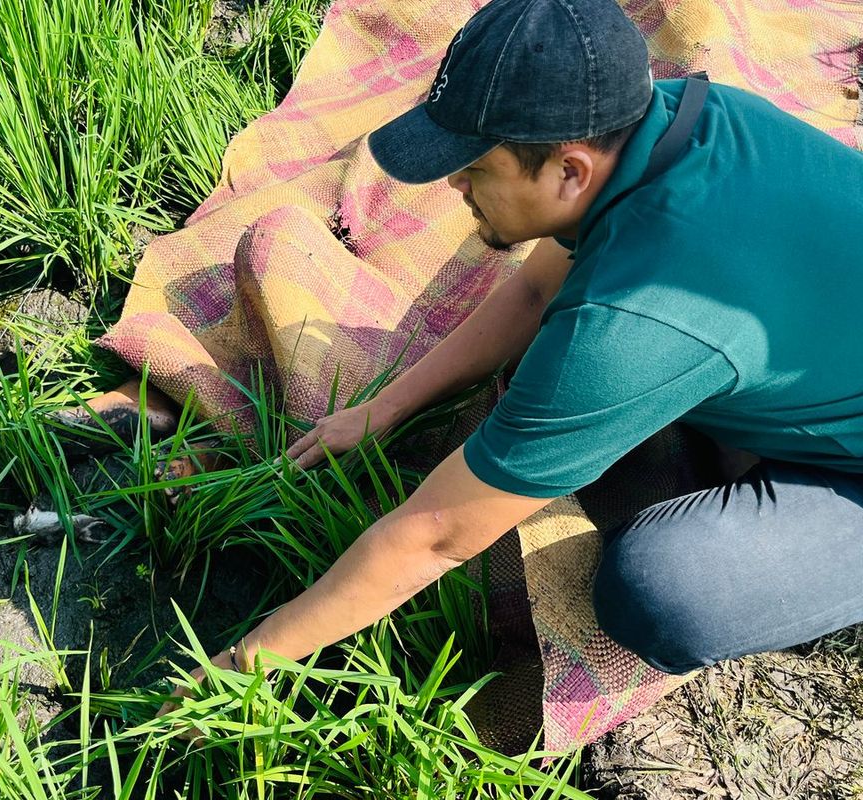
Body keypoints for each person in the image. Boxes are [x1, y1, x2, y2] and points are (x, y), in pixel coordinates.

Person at [150, 0, 863, 711]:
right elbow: (529, 294)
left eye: (474, 168)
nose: (452, 185)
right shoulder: (678, 121)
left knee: (660, 592)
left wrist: (241, 663)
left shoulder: (627, 325)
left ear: (570, 171)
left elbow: (435, 538)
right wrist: (386, 406)